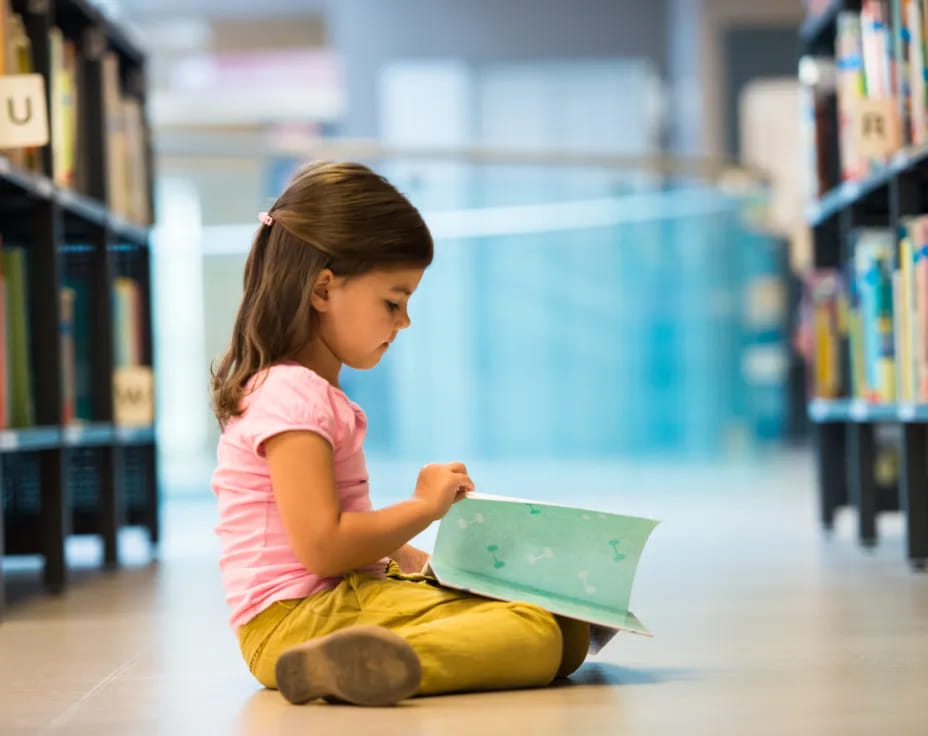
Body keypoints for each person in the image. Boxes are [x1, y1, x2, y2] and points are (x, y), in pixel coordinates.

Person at [210, 161, 590, 707]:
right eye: (393, 302)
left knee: (565, 629)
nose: (403, 322)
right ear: (322, 290)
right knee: (533, 635)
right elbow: (321, 547)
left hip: (336, 599)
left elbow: (335, 538)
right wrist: (422, 507)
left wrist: (406, 557)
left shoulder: (304, 393)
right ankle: (343, 665)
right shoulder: (290, 397)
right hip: (294, 622)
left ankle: (362, 658)